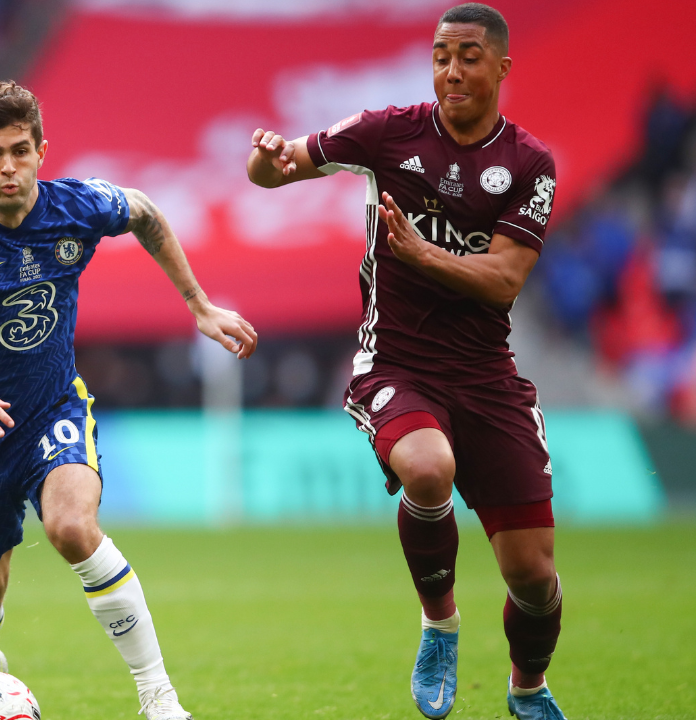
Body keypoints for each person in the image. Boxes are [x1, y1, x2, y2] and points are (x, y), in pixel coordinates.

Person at [0, 80, 257, 720]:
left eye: (20, 150)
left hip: (54, 408)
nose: (9, 168)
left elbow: (146, 213)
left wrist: (199, 304)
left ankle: (160, 701)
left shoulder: (76, 207)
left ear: (42, 150)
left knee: (73, 527)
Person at [246, 4, 564, 719]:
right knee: (427, 467)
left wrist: (421, 253)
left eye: (469, 56)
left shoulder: (529, 164)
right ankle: (440, 625)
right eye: (441, 54)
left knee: (534, 580)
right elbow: (276, 169)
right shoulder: (388, 131)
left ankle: (527, 687)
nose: (452, 70)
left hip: (488, 377)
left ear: (501, 67)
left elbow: (506, 278)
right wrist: (266, 160)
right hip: (396, 362)